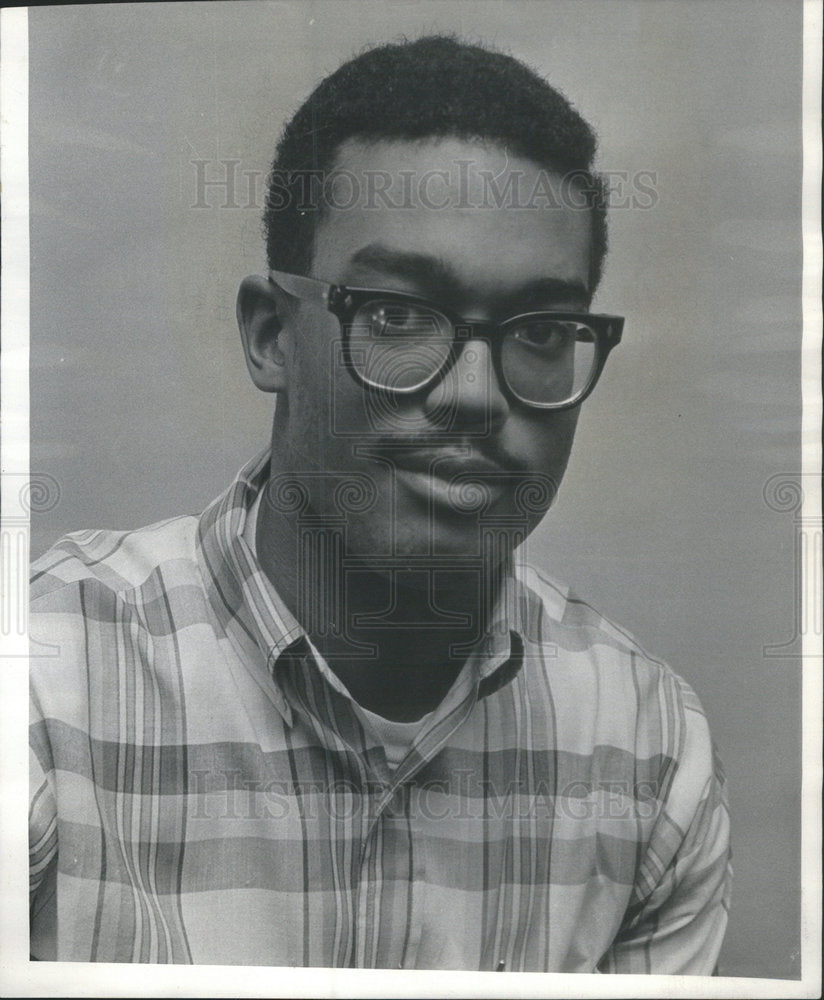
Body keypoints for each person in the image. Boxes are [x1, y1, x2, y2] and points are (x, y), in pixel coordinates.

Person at [29, 35, 731, 972]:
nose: (476, 395)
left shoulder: (649, 754)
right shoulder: (40, 688)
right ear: (273, 335)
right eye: (397, 313)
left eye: (541, 330)